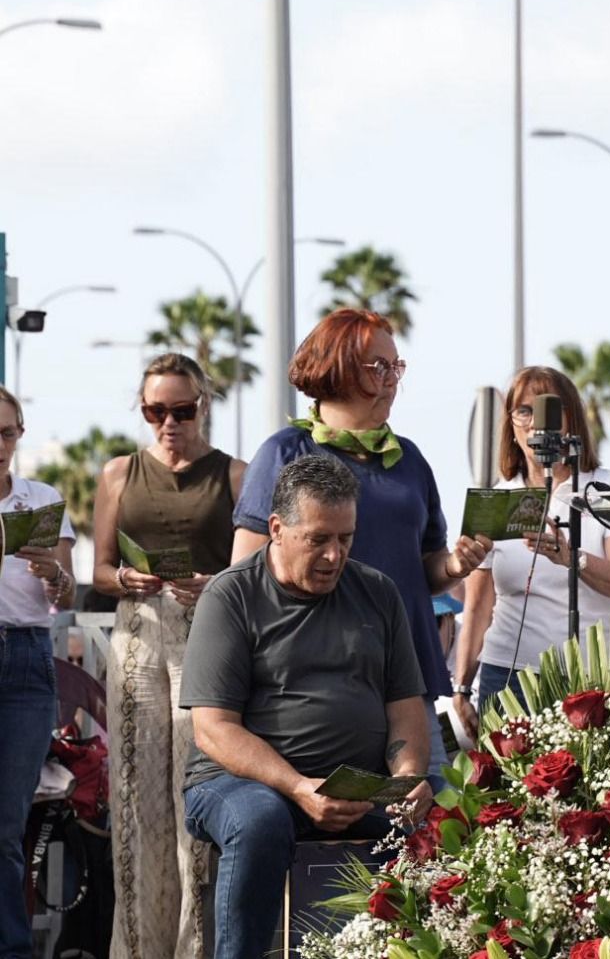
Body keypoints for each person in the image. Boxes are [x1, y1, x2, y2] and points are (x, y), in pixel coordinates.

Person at [181, 454, 432, 959]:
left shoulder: (378, 593)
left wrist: (405, 782)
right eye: (319, 539)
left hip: (353, 786)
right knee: (261, 822)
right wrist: (299, 787)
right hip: (238, 783)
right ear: (276, 529)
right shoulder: (230, 596)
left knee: (434, 826)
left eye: (346, 539)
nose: (335, 555)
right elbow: (214, 729)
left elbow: (406, 709)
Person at [231, 309, 486, 791]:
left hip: (406, 682)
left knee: (429, 829)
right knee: (331, 835)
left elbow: (427, 566)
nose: (392, 381)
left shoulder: (409, 459)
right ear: (339, 368)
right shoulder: (286, 452)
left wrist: (455, 565)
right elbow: (244, 571)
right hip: (318, 686)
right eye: (378, 368)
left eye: (396, 367)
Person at [89, 353, 245, 959]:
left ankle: (197, 947)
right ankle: (135, 947)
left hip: (207, 634)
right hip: (137, 635)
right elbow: (99, 569)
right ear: (144, 409)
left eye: (181, 410)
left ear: (202, 406)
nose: (169, 424)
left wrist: (215, 583)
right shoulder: (119, 474)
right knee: (133, 799)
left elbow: (251, 565)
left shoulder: (234, 474)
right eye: (157, 411)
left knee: (196, 794)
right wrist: (125, 578)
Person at [454, 367, 610, 737]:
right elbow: (477, 606)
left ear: (571, 418)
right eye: (524, 411)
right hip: (509, 676)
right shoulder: (498, 496)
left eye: (549, 409)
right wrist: (462, 686)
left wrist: (571, 558)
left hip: (592, 673)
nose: (537, 423)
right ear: (511, 425)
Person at [0, 386, 76, 959]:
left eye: (6, 432)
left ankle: (14, 949)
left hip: (25, 657)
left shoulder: (40, 499)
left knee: (7, 826)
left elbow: (64, 593)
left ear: (20, 434)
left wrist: (54, 573)